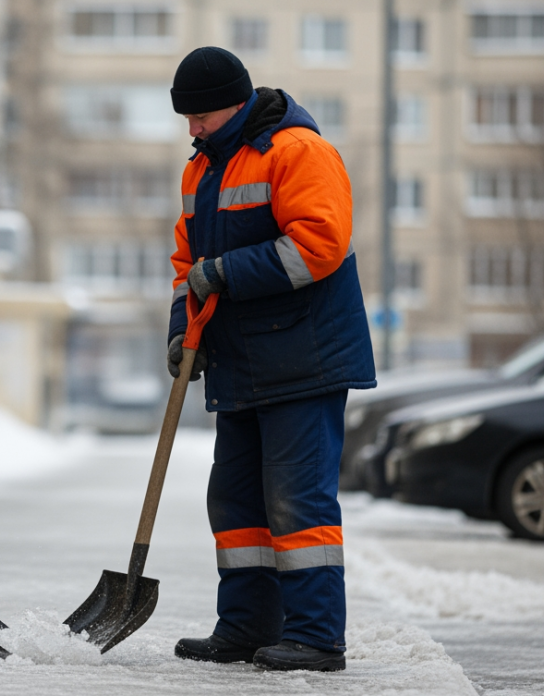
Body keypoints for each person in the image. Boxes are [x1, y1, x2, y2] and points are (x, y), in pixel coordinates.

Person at [165, 47, 376, 672]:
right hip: (242, 361)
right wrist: (183, 331)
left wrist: (223, 273)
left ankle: (315, 636)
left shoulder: (298, 152)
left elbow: (318, 246)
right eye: (187, 117)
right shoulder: (201, 170)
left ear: (237, 101)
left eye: (201, 114)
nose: (193, 127)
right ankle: (246, 626)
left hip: (304, 357)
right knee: (234, 501)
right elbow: (187, 267)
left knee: (297, 501)